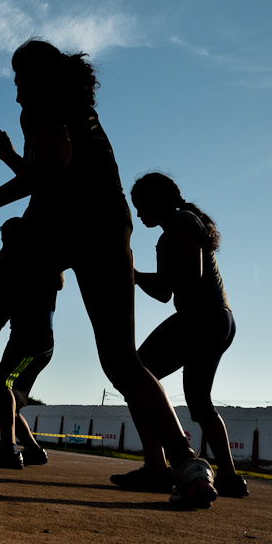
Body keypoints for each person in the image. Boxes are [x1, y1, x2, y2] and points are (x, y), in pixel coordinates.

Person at [0, 39, 217, 508]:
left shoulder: (41, 103)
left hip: (56, 222)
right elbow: (57, 168)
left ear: (35, 77)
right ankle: (189, 465)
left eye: (17, 80)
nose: (15, 93)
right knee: (122, 360)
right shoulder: (81, 112)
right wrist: (13, 164)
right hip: (109, 227)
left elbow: (51, 168)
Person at [109, 172, 247, 497]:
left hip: (201, 319)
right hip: (217, 320)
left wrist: (132, 274)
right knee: (199, 403)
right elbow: (164, 294)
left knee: (134, 375)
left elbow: (187, 277)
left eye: (143, 204)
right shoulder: (172, 231)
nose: (139, 212)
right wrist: (137, 276)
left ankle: (157, 469)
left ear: (164, 199)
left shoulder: (182, 222)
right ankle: (229, 478)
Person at [0, 217, 60, 469]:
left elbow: (59, 280)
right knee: (9, 398)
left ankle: (8, 449)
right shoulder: (14, 267)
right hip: (28, 341)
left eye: (7, 240)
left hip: (33, 341)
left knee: (0, 379)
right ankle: (33, 450)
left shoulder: (36, 261)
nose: (4, 246)